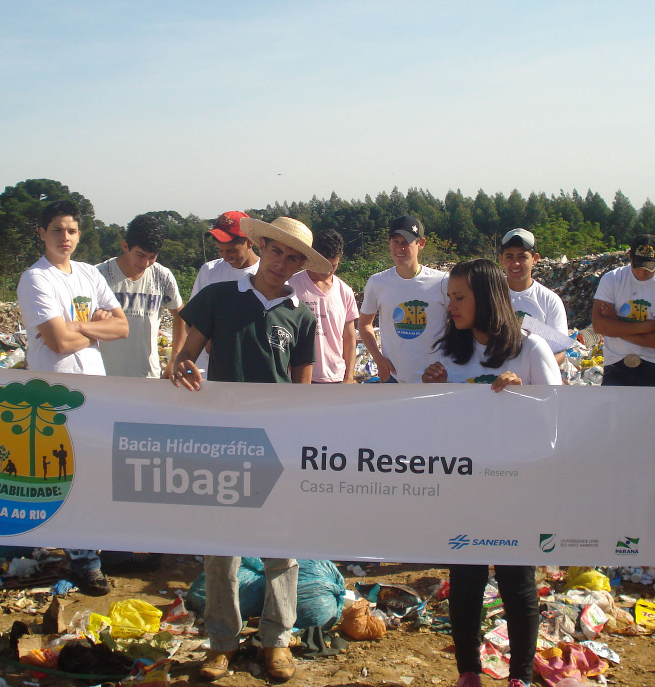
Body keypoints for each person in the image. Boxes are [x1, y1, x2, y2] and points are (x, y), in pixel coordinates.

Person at [170, 217, 329, 682]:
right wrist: (180, 368)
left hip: (277, 444)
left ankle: (277, 640)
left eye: (293, 258)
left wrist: (296, 443)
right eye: (277, 251)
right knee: (222, 549)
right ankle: (222, 643)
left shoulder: (302, 316)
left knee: (281, 547)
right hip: (222, 440)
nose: (282, 263)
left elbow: (301, 390)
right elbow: (187, 355)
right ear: (261, 246)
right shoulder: (220, 296)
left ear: (301, 266)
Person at [422, 259, 561, 687]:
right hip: (465, 487)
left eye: (459, 297)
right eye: (449, 297)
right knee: (466, 582)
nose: (451, 306)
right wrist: (433, 390)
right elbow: (436, 426)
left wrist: (524, 398)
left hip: (517, 489)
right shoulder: (449, 354)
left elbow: (561, 418)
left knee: (517, 583)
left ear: (486, 298)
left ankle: (520, 676)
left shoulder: (531, 350)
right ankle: (468, 671)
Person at [17, 199, 129, 595]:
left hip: (95, 390)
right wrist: (93, 327)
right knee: (66, 475)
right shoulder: (36, 279)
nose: (65, 237)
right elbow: (58, 342)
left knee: (95, 473)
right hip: (55, 396)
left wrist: (76, 326)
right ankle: (84, 561)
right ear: (42, 233)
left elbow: (123, 327)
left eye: (71, 230)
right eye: (57, 230)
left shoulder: (87, 273)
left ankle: (99, 548)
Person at [358, 215, 448, 383]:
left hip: (435, 379)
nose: (400, 248)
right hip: (394, 378)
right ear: (389, 243)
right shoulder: (377, 282)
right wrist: (378, 358)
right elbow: (364, 324)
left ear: (421, 244)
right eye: (395, 242)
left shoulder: (442, 282)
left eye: (406, 243)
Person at [97, 214, 185, 379]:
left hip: (148, 375)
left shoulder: (162, 276)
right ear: (125, 246)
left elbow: (181, 315)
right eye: (140, 255)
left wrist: (174, 359)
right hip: (104, 375)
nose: (145, 263)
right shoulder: (99, 275)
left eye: (152, 257)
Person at [592, 234, 655, 386]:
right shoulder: (612, 279)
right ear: (629, 257)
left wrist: (616, 325)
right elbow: (599, 326)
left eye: (649, 268)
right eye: (638, 266)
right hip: (615, 365)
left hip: (652, 365)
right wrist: (646, 327)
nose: (642, 273)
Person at [189, 211, 261, 376]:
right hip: (208, 369)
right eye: (220, 251)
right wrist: (206, 339)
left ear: (250, 242)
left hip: (249, 369)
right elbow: (192, 320)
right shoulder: (209, 271)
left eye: (232, 251)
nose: (226, 257)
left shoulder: (266, 274)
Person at [290, 229, 359, 383]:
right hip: (300, 378)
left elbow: (349, 339)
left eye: (333, 266)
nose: (327, 271)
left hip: (336, 378)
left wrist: (349, 376)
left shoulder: (345, 292)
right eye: (323, 265)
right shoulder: (291, 286)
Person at [498, 228, 569, 365]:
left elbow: (560, 352)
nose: (515, 263)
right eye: (509, 256)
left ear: (535, 259)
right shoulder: (490, 294)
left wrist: (532, 371)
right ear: (501, 259)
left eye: (522, 257)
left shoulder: (550, 300)